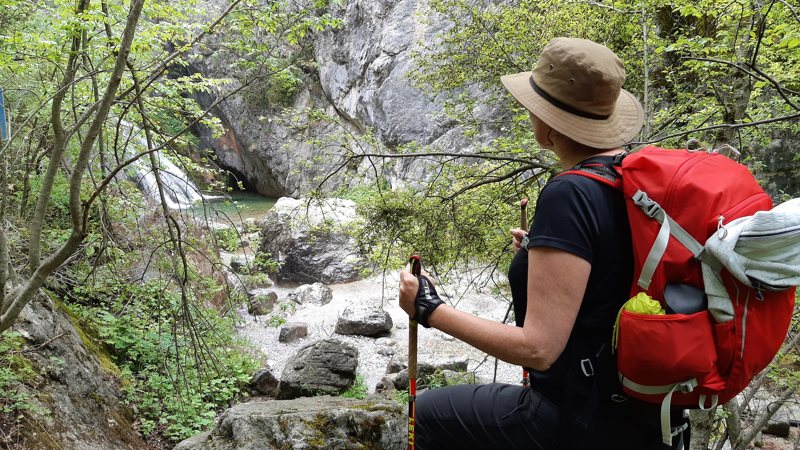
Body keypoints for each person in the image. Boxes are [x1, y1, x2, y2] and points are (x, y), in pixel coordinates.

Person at [398, 37, 689, 450]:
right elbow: (613, 272)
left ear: (551, 122)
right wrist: (542, 256)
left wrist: (427, 308)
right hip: (647, 416)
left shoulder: (569, 193)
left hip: (580, 420)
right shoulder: (634, 182)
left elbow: (538, 350)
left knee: (425, 416)